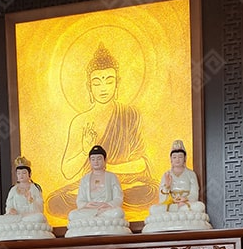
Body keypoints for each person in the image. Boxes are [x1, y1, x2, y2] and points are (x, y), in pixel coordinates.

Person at [46, 43, 159, 220]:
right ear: (89, 86)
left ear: (117, 83)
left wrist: (108, 169)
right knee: (55, 201)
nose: (103, 87)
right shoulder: (80, 121)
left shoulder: (129, 114)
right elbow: (67, 171)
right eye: (97, 82)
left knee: (152, 191)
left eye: (109, 80)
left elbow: (141, 164)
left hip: (126, 184)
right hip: (91, 189)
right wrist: (84, 152)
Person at [142, 139, 212, 233]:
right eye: (174, 157)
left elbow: (195, 192)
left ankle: (178, 213)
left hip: (186, 204)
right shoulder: (167, 175)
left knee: (199, 206)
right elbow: (162, 198)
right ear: (171, 159)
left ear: (185, 158)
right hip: (171, 204)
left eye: (180, 157)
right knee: (153, 209)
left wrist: (185, 199)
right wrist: (167, 186)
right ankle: (179, 213)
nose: (177, 160)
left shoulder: (191, 174)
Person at [65, 144, 131, 237]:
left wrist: (108, 204)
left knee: (118, 212)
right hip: (89, 210)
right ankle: (98, 219)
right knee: (72, 215)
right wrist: (87, 205)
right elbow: (80, 200)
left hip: (106, 210)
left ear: (105, 160)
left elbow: (118, 197)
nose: (96, 161)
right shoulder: (85, 179)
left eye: (99, 158)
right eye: (93, 159)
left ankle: (95, 220)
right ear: (89, 161)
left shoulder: (111, 177)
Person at [0, 156, 54, 240]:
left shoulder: (34, 188)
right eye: (19, 173)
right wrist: (10, 210)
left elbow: (40, 208)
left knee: (39, 217)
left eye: (24, 173)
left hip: (30, 217)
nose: (21, 176)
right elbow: (9, 206)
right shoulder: (13, 189)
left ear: (29, 174)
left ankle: (21, 222)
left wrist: (30, 200)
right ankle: (21, 221)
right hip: (16, 217)